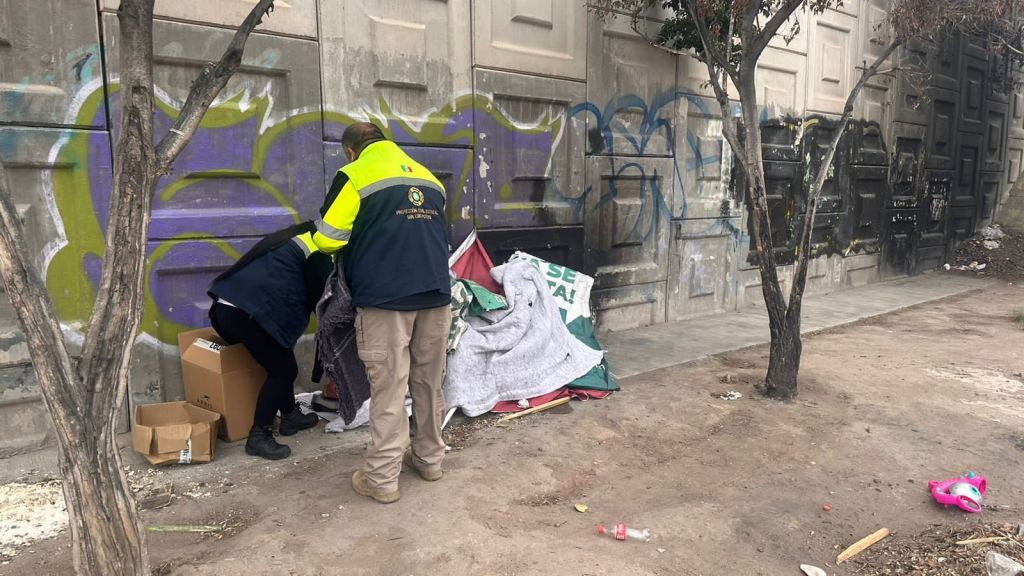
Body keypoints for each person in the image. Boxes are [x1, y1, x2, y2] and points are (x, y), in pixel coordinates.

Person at [313, 122, 451, 504]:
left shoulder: (355, 174)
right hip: (436, 295)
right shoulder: (428, 179)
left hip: (386, 300)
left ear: (350, 150)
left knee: (389, 389)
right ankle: (430, 461)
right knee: (429, 384)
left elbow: (326, 238)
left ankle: (382, 480)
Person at [208, 222, 332, 460]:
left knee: (282, 359)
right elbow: (321, 300)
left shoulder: (298, 236)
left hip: (230, 308)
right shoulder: (321, 249)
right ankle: (259, 436)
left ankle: (290, 416)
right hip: (247, 313)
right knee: (283, 371)